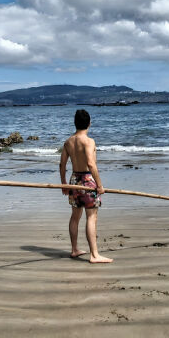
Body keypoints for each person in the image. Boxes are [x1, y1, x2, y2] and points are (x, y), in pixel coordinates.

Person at [59, 109, 113, 264]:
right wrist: (100, 185)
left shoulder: (68, 142)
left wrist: (64, 183)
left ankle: (74, 249)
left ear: (75, 123)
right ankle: (94, 255)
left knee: (75, 217)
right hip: (88, 181)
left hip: (74, 180)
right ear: (89, 123)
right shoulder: (89, 141)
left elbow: (62, 164)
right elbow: (91, 163)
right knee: (91, 217)